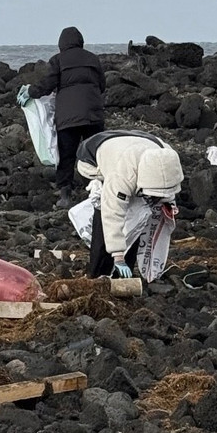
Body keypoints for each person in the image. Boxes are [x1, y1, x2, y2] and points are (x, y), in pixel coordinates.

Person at [75, 130, 184, 279]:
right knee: (104, 213)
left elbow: (167, 190)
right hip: (92, 159)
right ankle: (98, 273)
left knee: (140, 215)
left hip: (138, 140)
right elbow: (112, 212)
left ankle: (127, 272)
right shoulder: (122, 174)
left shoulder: (168, 160)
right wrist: (118, 256)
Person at [20, 26, 106, 209]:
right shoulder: (93, 59)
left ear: (61, 44)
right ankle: (102, 191)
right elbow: (102, 85)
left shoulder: (58, 60)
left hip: (68, 118)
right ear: (81, 41)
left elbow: (46, 85)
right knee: (97, 154)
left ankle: (65, 196)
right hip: (94, 115)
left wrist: (30, 92)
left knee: (66, 155)